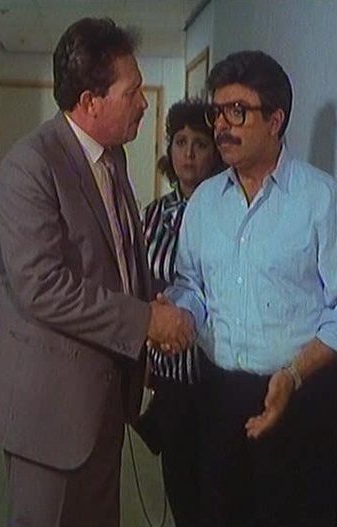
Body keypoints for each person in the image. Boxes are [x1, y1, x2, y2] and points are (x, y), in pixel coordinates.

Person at [0, 17, 194, 527]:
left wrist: (152, 304)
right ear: (90, 101)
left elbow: (117, 259)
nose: (143, 103)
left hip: (104, 402)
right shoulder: (30, 167)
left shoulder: (111, 159)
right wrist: (145, 321)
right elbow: (43, 287)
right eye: (132, 92)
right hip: (50, 416)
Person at [164, 50, 337, 526]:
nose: (221, 125)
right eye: (217, 112)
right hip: (220, 396)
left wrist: (294, 374)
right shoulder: (204, 205)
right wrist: (179, 312)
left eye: (237, 111)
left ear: (276, 120)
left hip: (300, 399)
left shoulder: (322, 201)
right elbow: (191, 285)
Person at [133, 98, 223, 527]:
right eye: (181, 142)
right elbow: (138, 285)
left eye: (200, 144)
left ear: (215, 152)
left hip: (214, 376)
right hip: (167, 373)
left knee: (215, 494)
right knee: (180, 487)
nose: (188, 153)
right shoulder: (153, 216)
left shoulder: (225, 214)